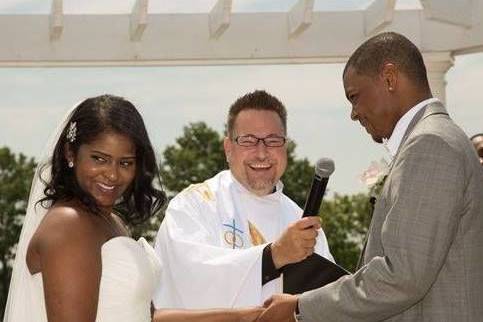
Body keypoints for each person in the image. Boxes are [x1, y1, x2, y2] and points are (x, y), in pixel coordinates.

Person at [258, 32, 483, 322]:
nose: (353, 113)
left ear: (389, 78)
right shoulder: (434, 140)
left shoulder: (431, 145)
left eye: (354, 96)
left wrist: (300, 307)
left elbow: (402, 276)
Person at [3, 94, 263, 322]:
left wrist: (245, 316)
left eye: (125, 163)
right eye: (99, 159)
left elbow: (145, 317)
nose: (112, 175)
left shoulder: (110, 220)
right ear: (71, 154)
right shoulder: (69, 224)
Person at [153, 90, 333, 309]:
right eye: (248, 141)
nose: (261, 153)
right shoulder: (193, 205)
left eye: (273, 140)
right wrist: (272, 256)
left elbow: (324, 300)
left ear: (285, 147)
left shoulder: (300, 221)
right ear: (228, 149)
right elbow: (187, 281)